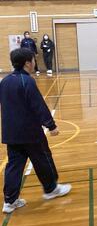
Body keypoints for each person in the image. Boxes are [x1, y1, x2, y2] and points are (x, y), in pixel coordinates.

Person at [0, 48, 71, 214]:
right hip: (30, 132)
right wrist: (51, 125)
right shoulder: (27, 81)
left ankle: (9, 201)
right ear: (27, 63)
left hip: (11, 132)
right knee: (43, 159)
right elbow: (38, 105)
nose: (34, 63)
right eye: (33, 60)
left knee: (14, 165)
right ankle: (51, 189)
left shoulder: (5, 81)